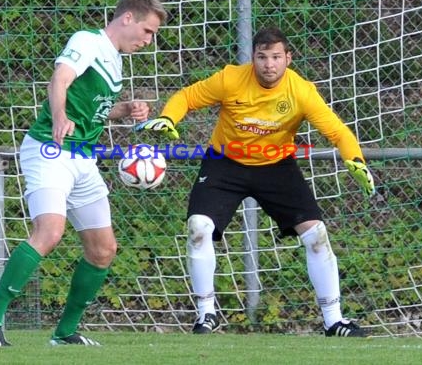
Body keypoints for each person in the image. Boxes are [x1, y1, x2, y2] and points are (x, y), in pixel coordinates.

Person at [137, 26, 375, 337]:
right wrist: (169, 117)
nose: (269, 64)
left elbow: (339, 133)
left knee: (316, 234)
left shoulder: (301, 91)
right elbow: (187, 97)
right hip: (225, 162)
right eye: (262, 57)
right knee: (198, 227)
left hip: (276, 165)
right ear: (253, 58)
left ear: (288, 58)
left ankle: (334, 321)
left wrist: (354, 159)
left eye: (276, 57)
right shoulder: (230, 78)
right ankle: (206, 315)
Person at [0, 0, 167, 347]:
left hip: (82, 158)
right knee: (50, 232)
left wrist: (124, 110)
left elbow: (90, 109)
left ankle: (64, 333)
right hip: (50, 148)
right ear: (128, 18)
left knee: (103, 249)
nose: (149, 40)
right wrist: (59, 115)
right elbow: (60, 79)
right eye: (148, 31)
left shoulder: (114, 59)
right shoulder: (88, 41)